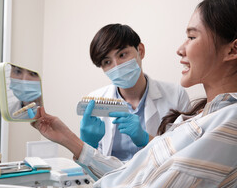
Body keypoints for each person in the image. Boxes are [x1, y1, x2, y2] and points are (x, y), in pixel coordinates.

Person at [31, 0, 237, 188]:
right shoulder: (204, 114)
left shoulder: (236, 121)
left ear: (233, 50)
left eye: (191, 36)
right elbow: (135, 178)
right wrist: (69, 139)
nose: (180, 49)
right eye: (106, 62)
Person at [80, 24, 191, 161]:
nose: (117, 66)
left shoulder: (176, 95)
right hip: (112, 180)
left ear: (140, 51)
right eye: (107, 62)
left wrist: (146, 139)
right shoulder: (94, 101)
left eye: (122, 55)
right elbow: (89, 172)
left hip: (158, 180)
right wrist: (88, 146)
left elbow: (187, 153)